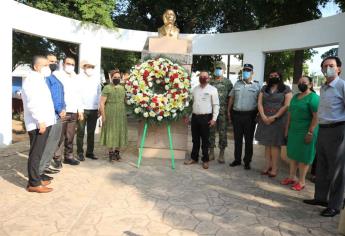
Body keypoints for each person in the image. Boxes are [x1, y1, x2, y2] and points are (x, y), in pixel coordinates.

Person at [304, 56, 345, 217]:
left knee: (337, 170)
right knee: (321, 165)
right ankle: (321, 197)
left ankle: (335, 205)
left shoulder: (342, 86)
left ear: (338, 69)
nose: (328, 68)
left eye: (331, 65)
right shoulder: (325, 87)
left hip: (338, 130)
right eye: (325, 66)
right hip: (323, 129)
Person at [22, 56, 55, 193]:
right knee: (35, 153)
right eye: (45, 65)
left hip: (44, 121)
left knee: (39, 152)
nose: (48, 68)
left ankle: (36, 178)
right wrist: (40, 121)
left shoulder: (39, 79)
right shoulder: (31, 80)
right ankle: (34, 183)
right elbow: (32, 103)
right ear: (36, 67)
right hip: (38, 123)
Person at [281, 76, 319, 191]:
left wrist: (310, 132)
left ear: (310, 85)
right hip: (294, 130)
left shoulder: (314, 98)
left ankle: (301, 181)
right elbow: (290, 115)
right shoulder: (295, 97)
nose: (301, 84)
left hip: (306, 131)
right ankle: (292, 177)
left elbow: (316, 117)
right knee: (293, 155)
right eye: (300, 82)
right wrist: (287, 129)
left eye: (304, 82)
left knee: (304, 157)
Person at [255, 71, 292, 177]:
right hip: (264, 119)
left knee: (275, 145)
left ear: (280, 77)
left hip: (278, 120)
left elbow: (286, 105)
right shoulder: (264, 88)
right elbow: (260, 103)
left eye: (275, 75)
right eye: (271, 76)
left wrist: (274, 117)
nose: (273, 77)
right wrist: (263, 116)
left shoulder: (286, 89)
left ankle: (274, 168)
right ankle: (267, 166)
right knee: (267, 144)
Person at [227, 64, 260, 170]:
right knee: (237, 139)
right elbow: (231, 98)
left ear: (252, 73)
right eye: (244, 70)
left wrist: (259, 114)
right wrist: (228, 111)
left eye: (248, 70)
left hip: (250, 116)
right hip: (237, 115)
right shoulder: (237, 84)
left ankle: (247, 161)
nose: (245, 72)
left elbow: (260, 101)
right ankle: (237, 160)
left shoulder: (257, 86)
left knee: (249, 140)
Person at [184, 71, 219, 169]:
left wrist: (214, 119)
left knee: (205, 140)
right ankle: (194, 158)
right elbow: (190, 104)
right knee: (195, 139)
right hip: (195, 117)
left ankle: (205, 160)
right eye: (201, 76)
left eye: (205, 76)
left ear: (208, 78)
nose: (203, 78)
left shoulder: (213, 90)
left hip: (206, 117)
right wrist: (187, 116)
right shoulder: (194, 89)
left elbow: (216, 105)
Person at [38, 54, 66, 180]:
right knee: (48, 144)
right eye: (51, 61)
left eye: (55, 61)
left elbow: (60, 94)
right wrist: (60, 109)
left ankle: (46, 165)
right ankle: (40, 170)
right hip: (52, 115)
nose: (53, 63)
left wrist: (64, 107)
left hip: (58, 114)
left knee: (53, 143)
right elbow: (50, 97)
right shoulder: (44, 78)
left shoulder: (53, 76)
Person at [53, 57, 81, 167]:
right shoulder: (57, 75)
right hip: (62, 111)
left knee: (70, 136)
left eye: (72, 64)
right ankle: (57, 158)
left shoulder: (76, 77)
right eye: (68, 63)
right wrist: (59, 109)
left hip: (73, 110)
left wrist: (80, 110)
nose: (70, 66)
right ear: (63, 64)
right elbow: (56, 93)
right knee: (59, 137)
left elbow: (78, 95)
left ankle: (68, 156)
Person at [99, 70, 128, 161]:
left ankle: (117, 152)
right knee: (111, 132)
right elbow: (102, 103)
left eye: (118, 78)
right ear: (111, 78)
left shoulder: (123, 88)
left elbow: (126, 101)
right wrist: (103, 116)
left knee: (120, 131)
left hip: (121, 112)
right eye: (115, 77)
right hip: (110, 112)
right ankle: (111, 153)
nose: (117, 79)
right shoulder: (107, 88)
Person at [76, 60, 101, 161]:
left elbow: (99, 94)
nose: (90, 69)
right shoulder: (79, 78)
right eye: (88, 66)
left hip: (94, 110)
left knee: (91, 133)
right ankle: (80, 152)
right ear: (84, 68)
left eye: (92, 67)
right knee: (80, 132)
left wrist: (99, 108)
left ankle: (90, 152)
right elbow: (77, 95)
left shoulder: (96, 79)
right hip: (83, 110)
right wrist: (80, 110)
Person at [208, 61, 233, 163]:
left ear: (224, 70)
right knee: (211, 132)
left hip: (222, 111)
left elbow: (231, 97)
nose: (218, 70)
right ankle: (211, 152)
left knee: (223, 132)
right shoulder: (210, 82)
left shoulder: (227, 82)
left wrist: (229, 111)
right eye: (217, 68)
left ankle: (221, 154)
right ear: (214, 69)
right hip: (211, 111)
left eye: (220, 68)